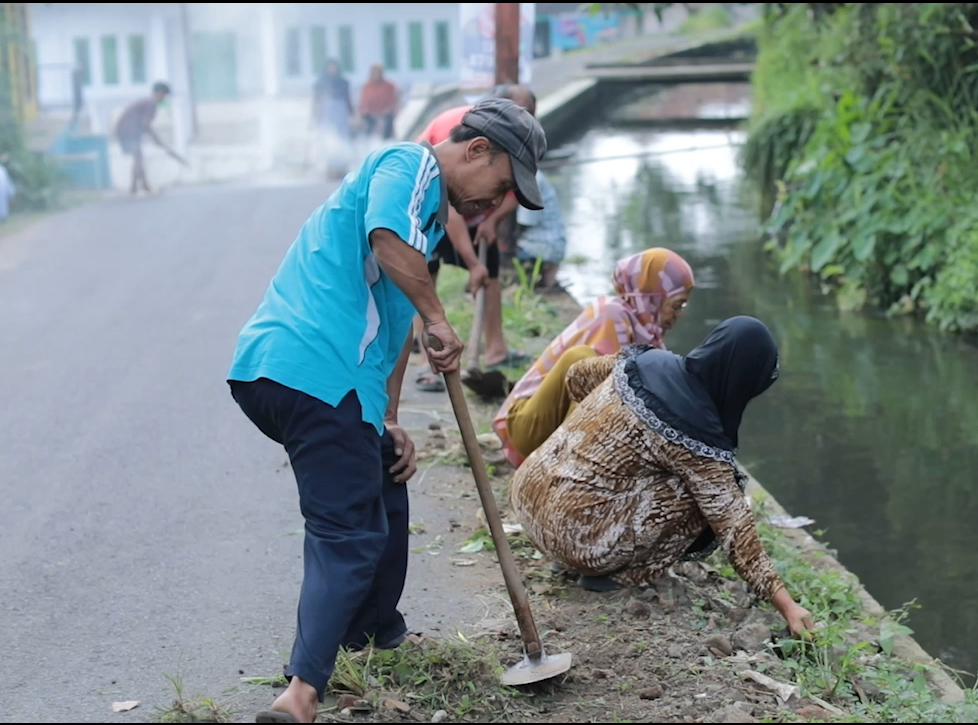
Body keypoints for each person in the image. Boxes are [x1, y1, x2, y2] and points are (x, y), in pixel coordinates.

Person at [226, 98, 547, 724]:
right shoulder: (410, 166)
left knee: (386, 475)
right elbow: (385, 240)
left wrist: (391, 419)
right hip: (311, 370)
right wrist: (438, 315)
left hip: (304, 378)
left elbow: (396, 326)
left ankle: (374, 631)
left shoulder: (423, 231)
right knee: (347, 533)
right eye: (502, 184)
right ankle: (301, 693)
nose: (496, 201)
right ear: (477, 150)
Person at [508, 316, 816, 637]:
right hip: (576, 540)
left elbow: (576, 376)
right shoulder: (698, 439)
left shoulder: (645, 362)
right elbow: (735, 528)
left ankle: (570, 544)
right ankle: (615, 574)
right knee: (710, 494)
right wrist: (789, 606)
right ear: (740, 381)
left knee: (663, 475)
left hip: (528, 495)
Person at [492, 247, 695, 468]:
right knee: (587, 366)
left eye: (683, 306)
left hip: (559, 429)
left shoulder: (650, 338)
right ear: (653, 298)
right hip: (529, 424)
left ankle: (575, 467)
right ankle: (570, 470)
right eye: (676, 305)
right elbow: (613, 398)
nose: (680, 314)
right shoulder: (611, 314)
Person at [411, 84, 538, 392]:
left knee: (490, 272)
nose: (527, 119)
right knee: (423, 276)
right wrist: (470, 261)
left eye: (531, 115)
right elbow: (447, 208)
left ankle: (496, 350)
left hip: (475, 198)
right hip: (435, 201)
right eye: (521, 113)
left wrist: (492, 221)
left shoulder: (520, 136)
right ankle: (428, 361)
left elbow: (515, 190)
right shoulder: (458, 132)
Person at [114, 81, 178, 196]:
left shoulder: (147, 103)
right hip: (128, 132)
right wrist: (156, 139)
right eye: (164, 95)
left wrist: (155, 139)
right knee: (138, 157)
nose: (164, 99)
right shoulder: (150, 104)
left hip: (127, 131)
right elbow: (146, 124)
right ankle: (139, 188)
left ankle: (138, 187)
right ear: (159, 93)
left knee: (138, 157)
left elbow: (143, 125)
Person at [514, 164, 567, 292]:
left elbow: (525, 221)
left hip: (543, 246)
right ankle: (547, 280)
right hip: (553, 243)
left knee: (511, 255)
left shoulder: (530, 179)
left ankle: (537, 279)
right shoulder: (532, 175)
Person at [312, 59, 354, 140]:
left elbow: (347, 98)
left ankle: (343, 145)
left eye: (334, 67)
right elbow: (316, 100)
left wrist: (352, 113)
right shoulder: (321, 82)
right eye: (330, 67)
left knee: (342, 129)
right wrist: (315, 114)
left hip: (341, 108)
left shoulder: (343, 82)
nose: (332, 69)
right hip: (326, 108)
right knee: (327, 128)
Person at [358, 64, 399, 141]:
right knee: (368, 129)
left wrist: (389, 111)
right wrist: (363, 113)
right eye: (374, 72)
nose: (375, 75)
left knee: (387, 129)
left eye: (377, 72)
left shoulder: (389, 86)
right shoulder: (367, 86)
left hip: (386, 115)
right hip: (370, 116)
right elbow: (363, 103)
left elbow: (393, 101)